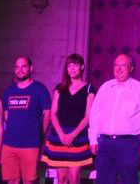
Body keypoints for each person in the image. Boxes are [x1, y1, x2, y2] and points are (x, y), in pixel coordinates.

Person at [89, 53, 140, 184]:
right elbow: (95, 114)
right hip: (105, 144)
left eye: (123, 66)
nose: (118, 69)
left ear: (131, 68)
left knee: (128, 180)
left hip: (128, 144)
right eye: (116, 65)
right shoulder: (105, 87)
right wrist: (93, 139)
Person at [42, 54, 96, 183]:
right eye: (69, 66)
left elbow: (88, 116)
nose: (72, 69)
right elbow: (53, 113)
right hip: (59, 136)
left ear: (82, 67)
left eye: (75, 65)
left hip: (77, 136)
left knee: (74, 177)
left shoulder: (89, 88)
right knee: (62, 178)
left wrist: (73, 135)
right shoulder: (60, 88)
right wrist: (61, 133)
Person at [1, 56, 51, 184]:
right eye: (17, 67)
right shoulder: (9, 90)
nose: (20, 70)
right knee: (12, 180)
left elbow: (47, 113)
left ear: (31, 68)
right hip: (9, 144)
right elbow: (6, 116)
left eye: (23, 66)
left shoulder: (39, 89)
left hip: (30, 144)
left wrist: (41, 134)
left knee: (29, 181)